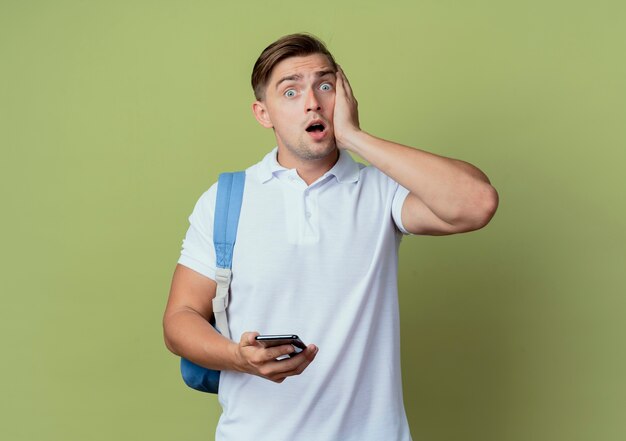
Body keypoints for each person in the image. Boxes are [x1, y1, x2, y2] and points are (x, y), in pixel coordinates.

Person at [163, 33, 498, 441]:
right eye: (290, 91)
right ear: (263, 113)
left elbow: (477, 203)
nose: (312, 102)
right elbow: (180, 320)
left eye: (325, 86)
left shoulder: (382, 190)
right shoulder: (226, 199)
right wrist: (239, 357)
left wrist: (355, 137)